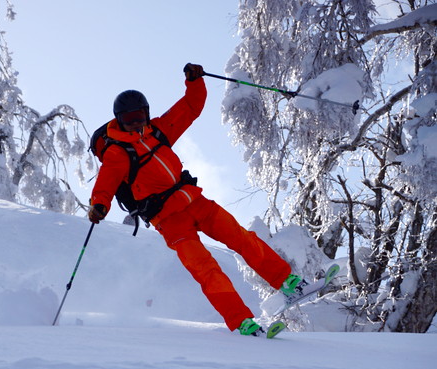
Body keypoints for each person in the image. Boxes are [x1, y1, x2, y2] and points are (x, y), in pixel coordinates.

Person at [87, 63, 307, 336]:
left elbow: (191, 108)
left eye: (140, 115)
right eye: (129, 119)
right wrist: (99, 205)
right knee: (207, 270)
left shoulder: (158, 131)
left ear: (147, 112)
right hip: (169, 220)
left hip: (194, 201)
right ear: (119, 119)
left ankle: (288, 282)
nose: (136, 123)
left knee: (241, 238)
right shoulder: (117, 152)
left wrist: (194, 81)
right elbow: (106, 182)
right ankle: (241, 322)